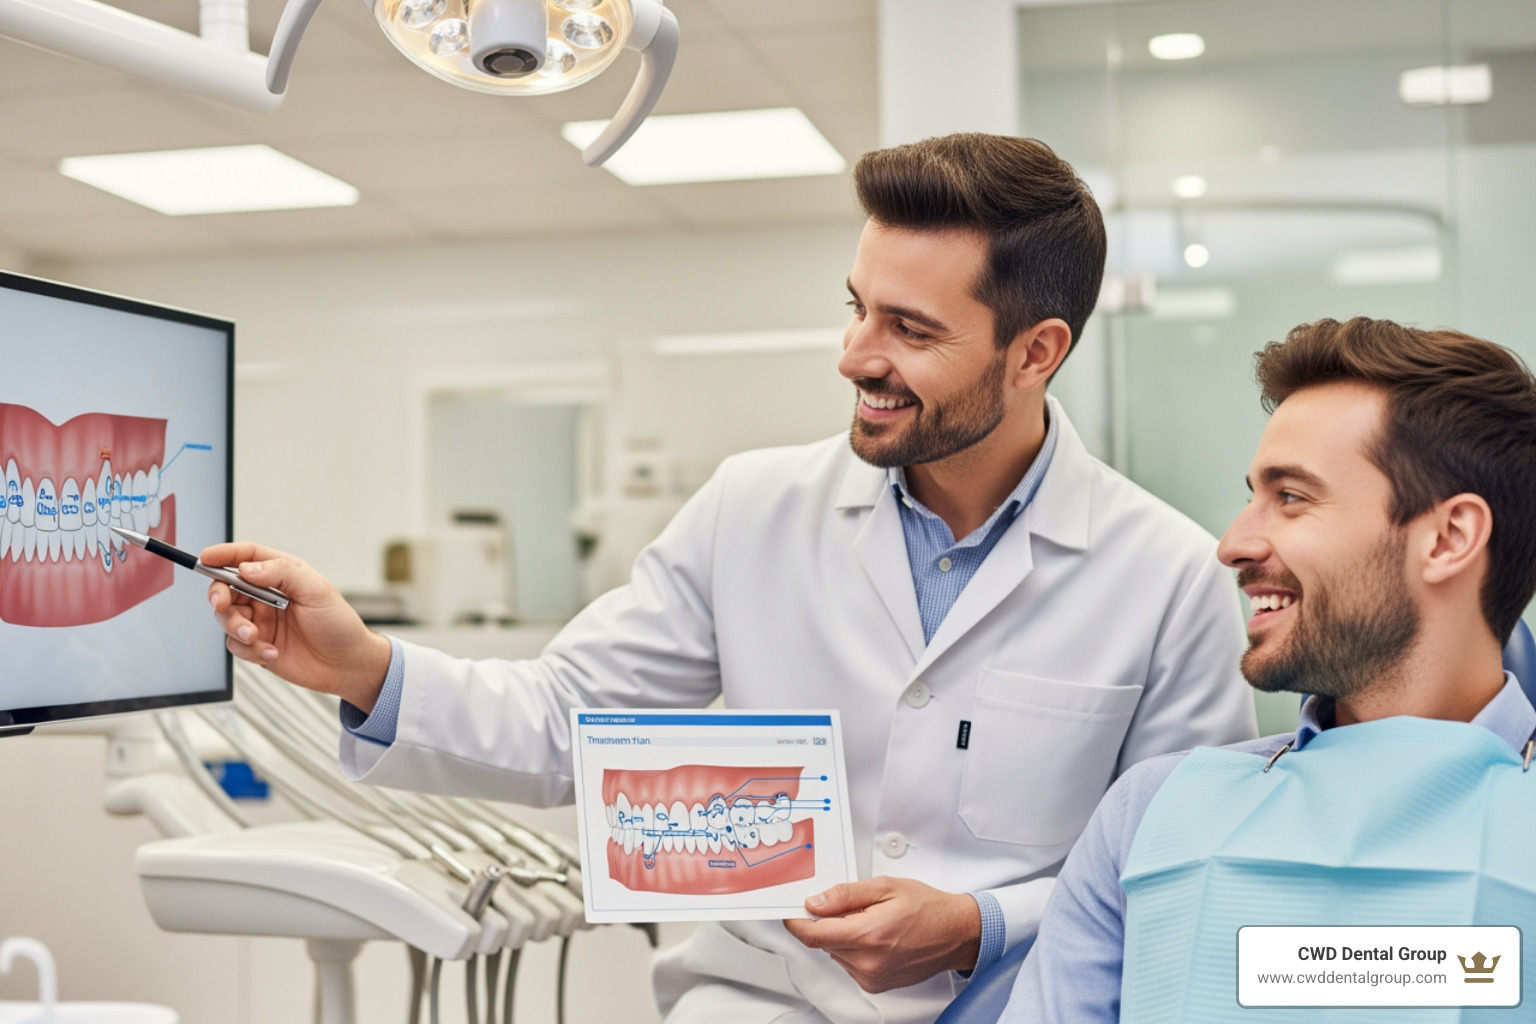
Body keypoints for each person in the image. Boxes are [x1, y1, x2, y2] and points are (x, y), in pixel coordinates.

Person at [203, 134, 1256, 1024]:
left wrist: (981, 926)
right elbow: (567, 716)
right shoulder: (751, 508)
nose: (855, 355)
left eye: (910, 329)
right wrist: (366, 667)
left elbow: (1173, 871)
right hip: (765, 1000)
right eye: (857, 308)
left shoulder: (1166, 575)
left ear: (1036, 352)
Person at [1000, 317, 1536, 1024]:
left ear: (1449, 538)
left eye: (1290, 497)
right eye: (1254, 495)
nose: (1233, 543)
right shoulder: (1150, 813)